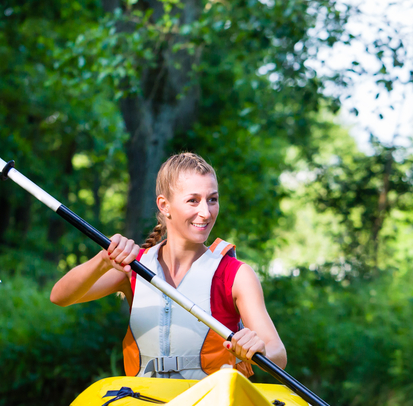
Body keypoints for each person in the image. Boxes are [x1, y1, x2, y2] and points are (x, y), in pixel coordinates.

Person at [50, 152, 285, 380]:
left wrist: (259, 350)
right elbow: (60, 296)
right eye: (193, 200)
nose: (205, 212)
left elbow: (278, 355)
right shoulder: (135, 267)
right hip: (145, 403)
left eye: (212, 199)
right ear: (164, 205)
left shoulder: (235, 275)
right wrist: (102, 260)